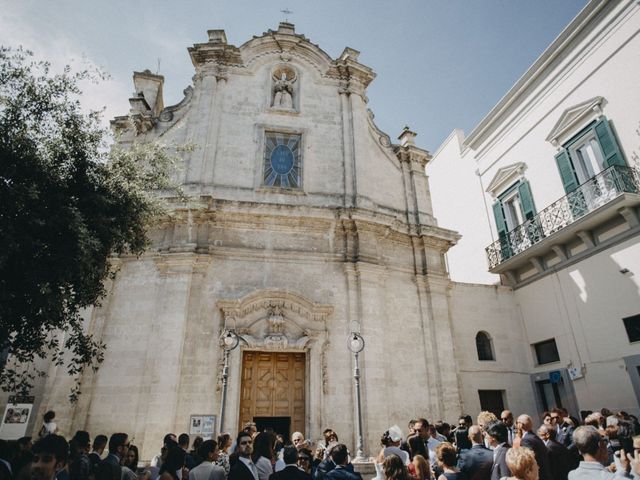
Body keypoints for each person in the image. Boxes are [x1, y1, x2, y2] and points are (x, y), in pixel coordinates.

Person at [568, 426, 635, 480]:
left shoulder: (572, 475)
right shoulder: (613, 477)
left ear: (579, 450)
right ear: (601, 445)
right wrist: (625, 471)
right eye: (605, 441)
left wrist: (607, 469)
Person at [517, 415, 550, 480]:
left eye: (517, 423)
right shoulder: (535, 437)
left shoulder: (526, 440)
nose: (516, 425)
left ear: (521, 425)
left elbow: (529, 461)